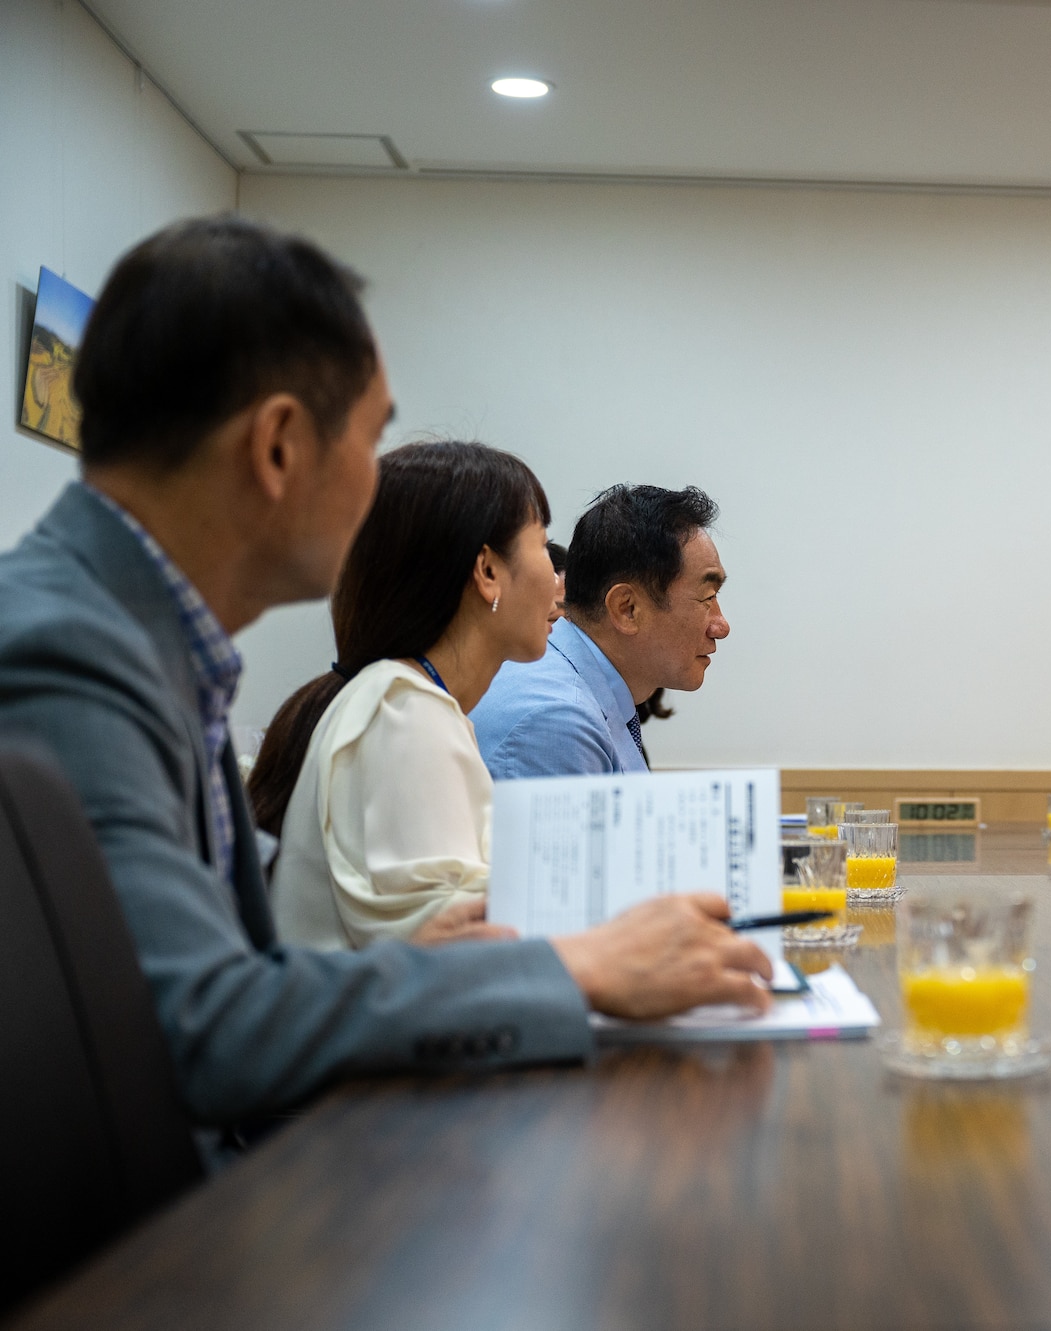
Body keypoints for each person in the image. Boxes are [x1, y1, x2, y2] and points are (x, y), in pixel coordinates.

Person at [0, 216, 770, 1132]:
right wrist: (574, 967)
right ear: (280, 446)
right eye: (369, 442)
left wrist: (432, 966)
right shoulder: (70, 649)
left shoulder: (133, 636)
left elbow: (226, 976)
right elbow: (191, 1028)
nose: (380, 488)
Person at [252, 441, 563, 949]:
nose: (557, 579)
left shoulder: (405, 703)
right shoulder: (404, 713)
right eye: (544, 545)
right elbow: (461, 951)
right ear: (487, 572)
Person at [474, 485, 726, 778]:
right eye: (707, 597)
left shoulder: (593, 693)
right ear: (627, 608)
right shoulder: (558, 720)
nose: (721, 627)